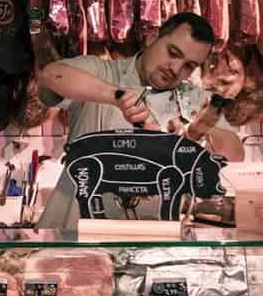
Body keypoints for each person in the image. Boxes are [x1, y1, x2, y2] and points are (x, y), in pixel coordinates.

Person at [37, 12, 244, 231]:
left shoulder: (196, 99)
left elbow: (234, 154)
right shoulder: (104, 71)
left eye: (188, 66)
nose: (175, 69)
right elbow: (51, 75)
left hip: (154, 242)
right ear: (152, 37)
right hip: (76, 237)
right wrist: (116, 97)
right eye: (173, 53)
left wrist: (196, 133)